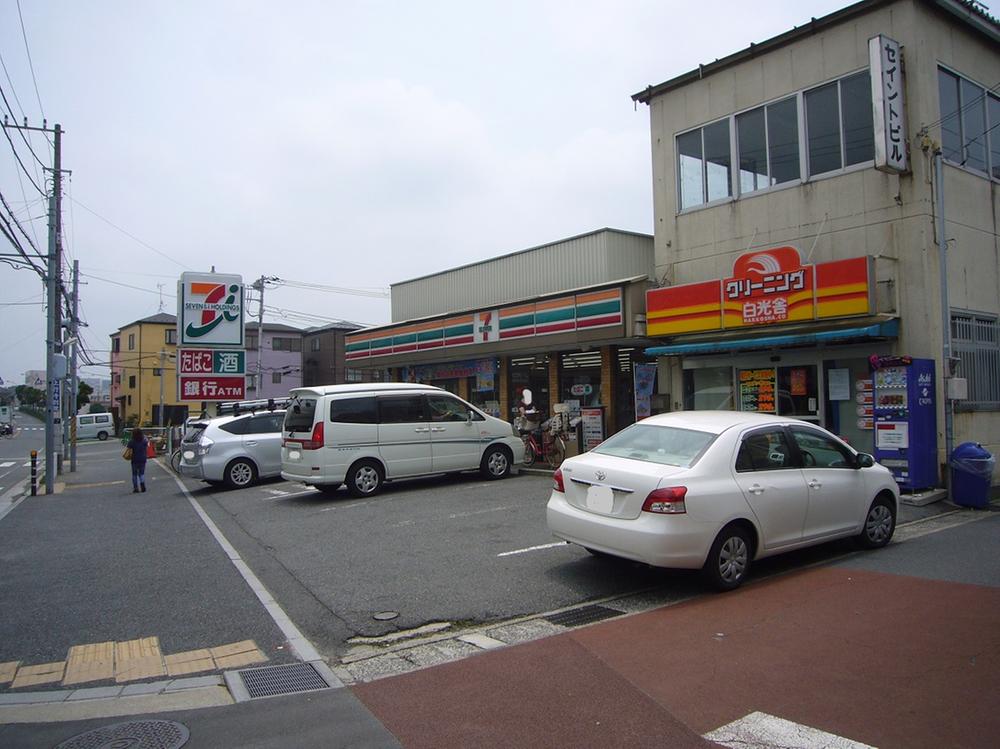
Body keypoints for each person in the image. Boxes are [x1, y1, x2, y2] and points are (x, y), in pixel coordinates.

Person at [127, 428, 149, 493]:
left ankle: (136, 488)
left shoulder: (131, 441)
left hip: (134, 459)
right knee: (141, 473)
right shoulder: (144, 440)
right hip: (142, 458)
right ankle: (143, 486)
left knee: (134, 474)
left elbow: (128, 448)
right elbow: (147, 445)